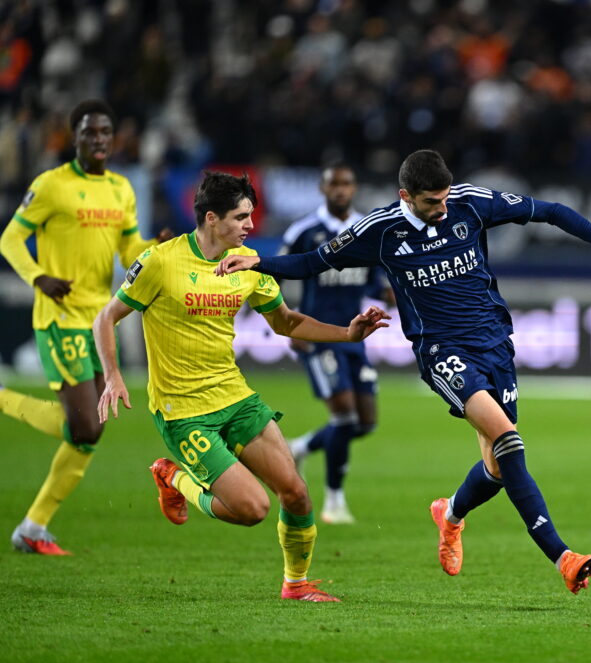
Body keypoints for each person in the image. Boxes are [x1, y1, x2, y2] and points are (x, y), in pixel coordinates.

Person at [216, 149, 591, 594]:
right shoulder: (380, 231)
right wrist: (260, 260)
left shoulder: (469, 202)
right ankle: (562, 555)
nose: (442, 209)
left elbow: (550, 211)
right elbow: (314, 261)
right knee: (509, 441)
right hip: (441, 350)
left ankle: (450, 514)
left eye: (445, 199)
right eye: (431, 203)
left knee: (498, 468)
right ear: (405, 195)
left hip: (495, 344)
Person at [92, 171, 389, 602]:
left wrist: (347, 333)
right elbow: (107, 317)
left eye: (251, 215)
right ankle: (174, 478)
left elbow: (287, 321)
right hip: (184, 411)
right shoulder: (161, 261)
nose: (250, 225)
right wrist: (113, 374)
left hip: (235, 397)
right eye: (241, 217)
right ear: (211, 218)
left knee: (296, 492)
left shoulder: (247, 264)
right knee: (252, 509)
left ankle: (296, 584)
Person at [0, 99, 173, 555]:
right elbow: (10, 238)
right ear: (73, 137)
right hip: (58, 318)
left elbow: (127, 248)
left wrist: (152, 247)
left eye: (105, 132)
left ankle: (33, 527)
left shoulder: (121, 189)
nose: (98, 140)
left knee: (88, 427)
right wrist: (38, 276)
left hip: (98, 319)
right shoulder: (51, 186)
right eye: (89, 132)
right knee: (86, 426)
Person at [280, 161, 394, 524]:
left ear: (354, 188)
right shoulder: (304, 231)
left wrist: (388, 292)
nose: (341, 190)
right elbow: (275, 274)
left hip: (355, 337)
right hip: (317, 336)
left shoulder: (367, 230)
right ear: (322, 189)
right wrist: (287, 322)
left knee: (366, 423)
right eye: (334, 184)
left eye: (347, 184)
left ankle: (301, 446)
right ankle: (333, 502)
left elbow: (375, 279)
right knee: (344, 417)